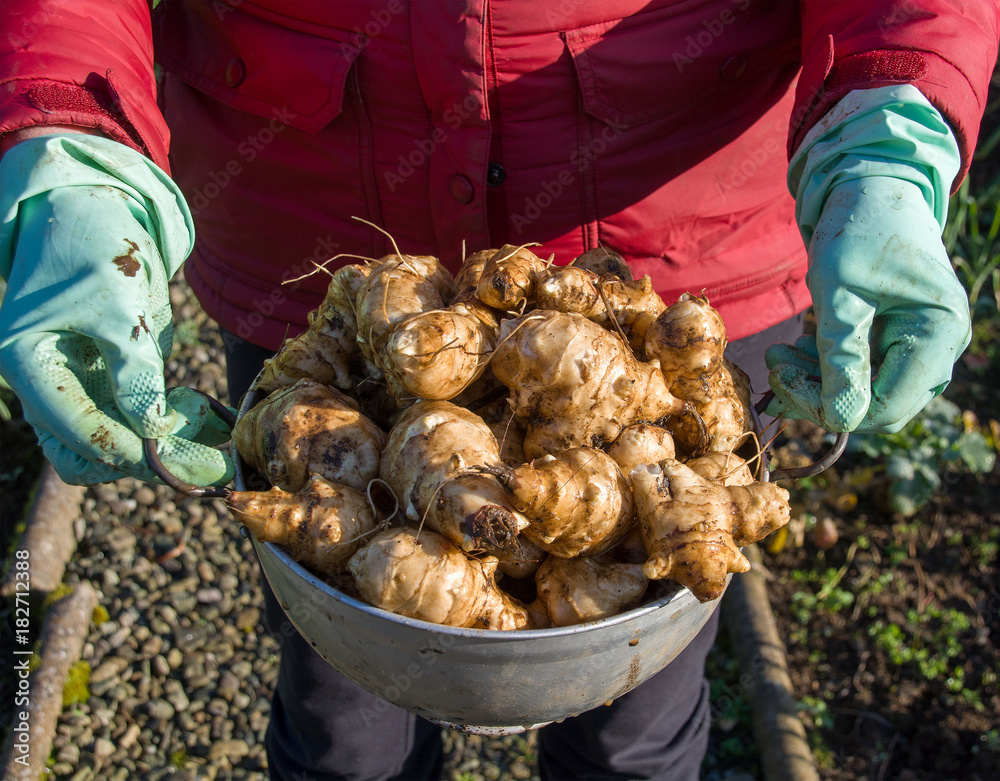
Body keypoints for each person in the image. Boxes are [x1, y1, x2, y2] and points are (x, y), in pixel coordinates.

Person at [1, 1, 997, 779]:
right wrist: (68, 143)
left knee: (632, 731)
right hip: (314, 267)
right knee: (344, 714)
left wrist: (890, 119)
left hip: (681, 261)